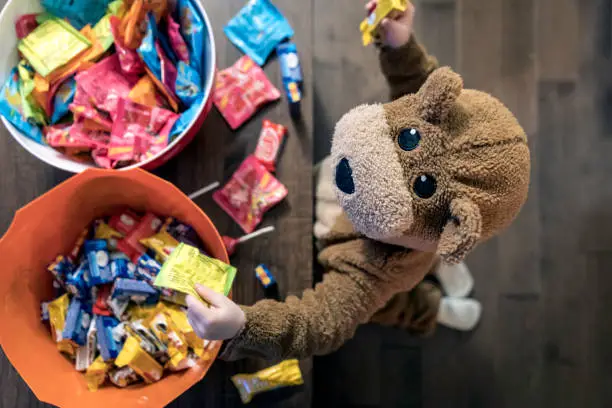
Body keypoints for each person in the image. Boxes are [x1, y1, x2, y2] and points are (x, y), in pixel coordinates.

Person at [186, 1, 531, 360]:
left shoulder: (378, 266)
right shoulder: (426, 111)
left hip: (376, 262)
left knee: (392, 305)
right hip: (382, 222)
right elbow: (416, 85)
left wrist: (244, 325)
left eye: (424, 187)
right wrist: (400, 45)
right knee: (427, 250)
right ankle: (442, 262)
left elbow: (323, 322)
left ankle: (431, 309)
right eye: (408, 136)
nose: (361, 165)